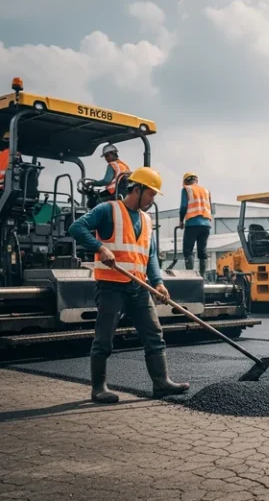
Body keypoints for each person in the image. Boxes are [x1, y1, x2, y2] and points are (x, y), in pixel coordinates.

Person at [69, 166, 190, 404]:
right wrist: (100, 247)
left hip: (139, 287)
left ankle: (161, 383)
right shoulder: (108, 209)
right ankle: (99, 388)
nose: (152, 199)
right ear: (137, 189)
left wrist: (158, 282)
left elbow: (150, 254)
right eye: (151, 194)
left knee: (154, 333)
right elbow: (76, 228)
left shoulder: (146, 219)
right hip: (111, 286)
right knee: (104, 338)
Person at [179, 172, 213, 277]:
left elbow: (184, 206)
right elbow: (210, 206)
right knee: (202, 251)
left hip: (192, 224)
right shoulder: (206, 191)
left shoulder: (187, 189)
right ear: (196, 180)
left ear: (185, 182)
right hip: (206, 224)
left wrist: (181, 220)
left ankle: (191, 276)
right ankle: (202, 278)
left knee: (188, 251)